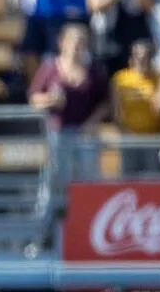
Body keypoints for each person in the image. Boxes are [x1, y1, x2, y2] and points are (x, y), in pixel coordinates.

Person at [28, 23, 110, 181]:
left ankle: (86, 206)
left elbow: (105, 103)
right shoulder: (50, 67)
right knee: (55, 178)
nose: (77, 48)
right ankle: (56, 207)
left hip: (85, 133)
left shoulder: (94, 70)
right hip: (58, 132)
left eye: (81, 43)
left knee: (89, 178)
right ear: (62, 43)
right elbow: (33, 98)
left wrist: (92, 122)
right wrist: (50, 99)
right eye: (73, 42)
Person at [110, 39, 160, 174]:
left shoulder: (159, 78)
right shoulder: (121, 79)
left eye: (146, 56)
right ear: (132, 57)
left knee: (154, 179)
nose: (142, 59)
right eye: (138, 55)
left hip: (154, 140)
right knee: (130, 179)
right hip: (130, 139)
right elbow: (116, 110)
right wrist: (123, 132)